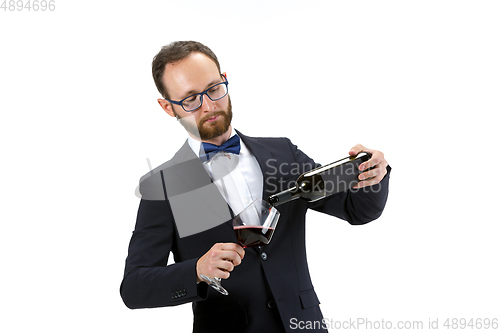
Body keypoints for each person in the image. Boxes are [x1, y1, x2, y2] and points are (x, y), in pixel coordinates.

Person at [120, 41, 391, 333]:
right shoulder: (164, 185)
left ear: (225, 79)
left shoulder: (283, 155)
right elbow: (134, 287)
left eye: (214, 89)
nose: (209, 106)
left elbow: (358, 210)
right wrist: (197, 270)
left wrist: (373, 173)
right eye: (190, 99)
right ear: (167, 107)